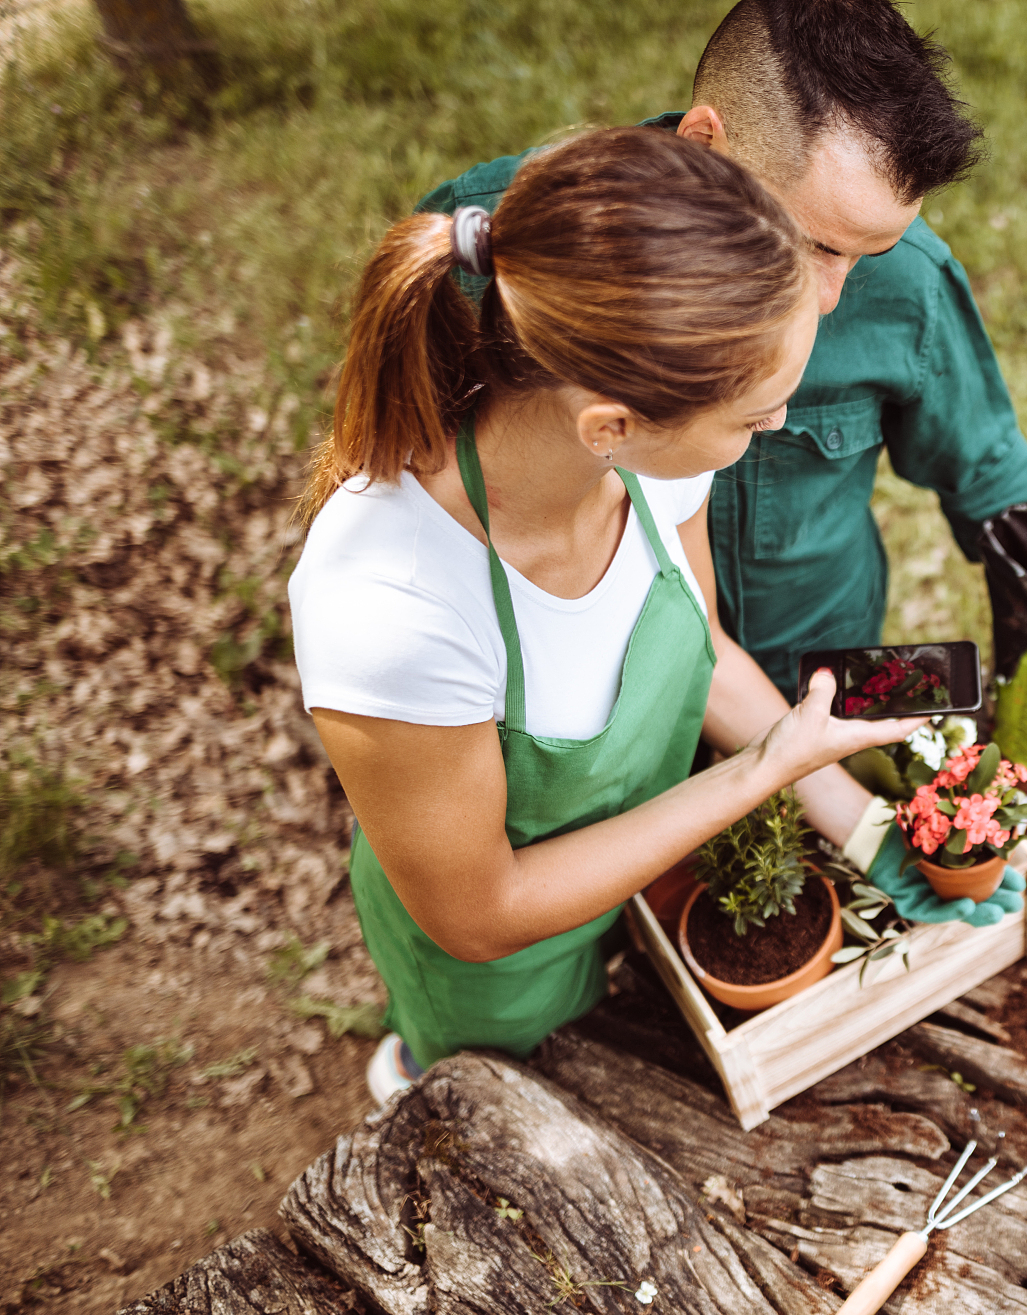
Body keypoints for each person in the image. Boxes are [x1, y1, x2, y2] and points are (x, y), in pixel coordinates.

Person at [289, 127, 980, 1108]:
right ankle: (408, 1068)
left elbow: (700, 649)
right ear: (609, 423)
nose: (776, 427)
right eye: (752, 416)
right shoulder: (389, 604)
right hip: (500, 961)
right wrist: (761, 771)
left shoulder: (656, 472)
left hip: (642, 877)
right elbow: (483, 913)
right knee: (483, 1084)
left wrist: (855, 814)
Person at [418, 0, 1027, 701]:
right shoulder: (506, 247)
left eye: (866, 255)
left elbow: (991, 473)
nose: (828, 298)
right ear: (702, 141)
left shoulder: (910, 276)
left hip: (812, 676)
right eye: (813, 244)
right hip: (584, 705)